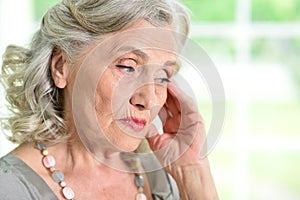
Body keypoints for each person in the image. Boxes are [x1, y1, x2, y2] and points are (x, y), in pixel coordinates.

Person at [0, 0, 218, 199]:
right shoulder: (9, 188)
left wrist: (192, 173)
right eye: (127, 67)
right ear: (61, 66)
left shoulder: (164, 177)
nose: (149, 99)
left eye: (162, 77)